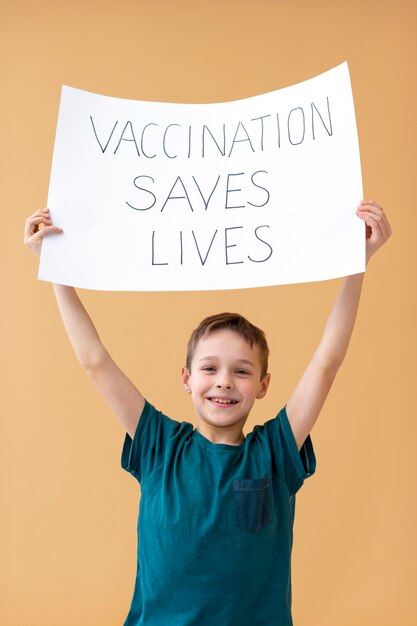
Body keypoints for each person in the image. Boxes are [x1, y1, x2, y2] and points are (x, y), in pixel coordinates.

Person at [24, 200, 391, 626]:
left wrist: (357, 262)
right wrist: (54, 270)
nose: (224, 381)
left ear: (263, 385)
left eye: (241, 371)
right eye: (210, 368)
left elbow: (327, 361)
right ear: (186, 378)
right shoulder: (160, 446)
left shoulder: (274, 453)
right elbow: (95, 360)